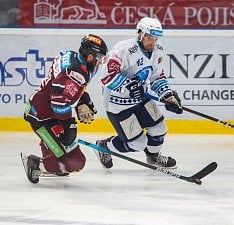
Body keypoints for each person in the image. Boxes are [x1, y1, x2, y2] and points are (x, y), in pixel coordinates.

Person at [95, 17, 183, 169]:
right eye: (149, 37)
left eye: (156, 38)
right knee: (138, 143)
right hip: (118, 103)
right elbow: (106, 75)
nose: (153, 42)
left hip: (140, 98)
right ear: (140, 33)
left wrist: (168, 95)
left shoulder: (158, 51)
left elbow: (156, 77)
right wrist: (128, 86)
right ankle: (104, 147)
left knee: (159, 128)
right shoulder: (123, 49)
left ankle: (153, 157)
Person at [22, 34, 108, 184]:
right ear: (89, 56)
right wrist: (69, 125)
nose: (100, 62)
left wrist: (82, 100)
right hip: (41, 117)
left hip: (50, 114)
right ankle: (34, 164)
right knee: (72, 163)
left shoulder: (71, 56)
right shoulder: (76, 72)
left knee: (74, 160)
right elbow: (58, 101)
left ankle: (50, 147)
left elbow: (63, 88)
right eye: (98, 58)